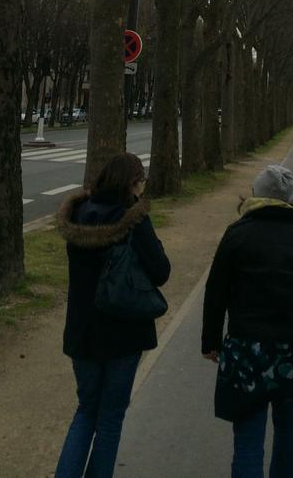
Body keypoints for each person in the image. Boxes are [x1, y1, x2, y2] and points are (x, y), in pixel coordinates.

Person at [202, 163, 293, 478]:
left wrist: (210, 342)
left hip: (245, 352)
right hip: (291, 355)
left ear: (256, 194)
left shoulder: (237, 234)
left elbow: (216, 293)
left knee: (248, 442)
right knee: (290, 432)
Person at [55, 152, 170, 478]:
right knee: (110, 418)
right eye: (141, 181)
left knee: (86, 410)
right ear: (132, 183)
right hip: (123, 331)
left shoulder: (76, 215)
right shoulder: (132, 219)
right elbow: (161, 271)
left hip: (82, 330)